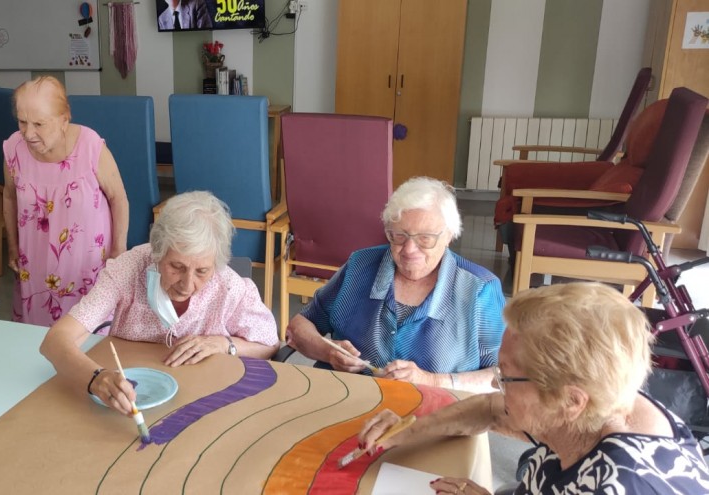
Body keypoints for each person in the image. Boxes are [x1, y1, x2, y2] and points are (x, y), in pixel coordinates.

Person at [357, 283, 709, 494]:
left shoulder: (613, 485)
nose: (497, 385)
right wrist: (408, 430)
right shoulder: (601, 399)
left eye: (505, 376)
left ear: (570, 401)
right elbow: (492, 409)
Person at [39, 191, 279, 416]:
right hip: (132, 397)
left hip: (204, 400)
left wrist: (224, 344)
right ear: (157, 252)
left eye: (202, 271)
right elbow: (55, 341)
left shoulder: (228, 286)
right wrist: (95, 378)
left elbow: (269, 344)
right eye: (176, 267)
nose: (187, 284)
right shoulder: (127, 270)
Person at [285, 177, 505, 392]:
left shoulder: (479, 289)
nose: (409, 249)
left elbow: (502, 375)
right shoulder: (359, 267)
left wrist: (432, 381)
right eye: (399, 236)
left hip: (435, 411)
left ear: (449, 235)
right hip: (347, 400)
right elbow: (300, 326)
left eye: (425, 238)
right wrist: (328, 353)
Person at [4, 76, 129, 325]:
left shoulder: (90, 146)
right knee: (38, 333)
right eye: (22, 122)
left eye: (39, 124)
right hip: (36, 262)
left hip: (87, 266)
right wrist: (12, 245)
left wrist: (118, 250)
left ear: (64, 118)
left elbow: (119, 198)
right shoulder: (14, 148)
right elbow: (9, 196)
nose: (28, 133)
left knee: (89, 333)